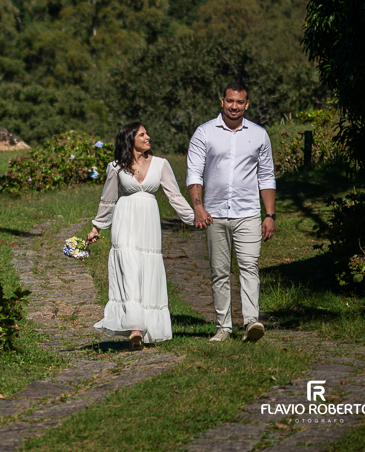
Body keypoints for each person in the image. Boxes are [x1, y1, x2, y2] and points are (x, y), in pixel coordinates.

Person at [85, 122, 194, 348]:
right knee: (129, 267)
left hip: (149, 223)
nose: (148, 137)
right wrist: (97, 227)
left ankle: (146, 326)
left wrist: (194, 218)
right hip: (124, 220)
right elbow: (108, 200)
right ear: (130, 139)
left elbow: (175, 196)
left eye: (147, 133)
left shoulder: (161, 164)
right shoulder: (116, 167)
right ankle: (135, 327)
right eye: (142, 134)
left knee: (146, 269)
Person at [186, 81, 276, 344]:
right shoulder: (204, 132)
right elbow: (194, 172)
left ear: (246, 104)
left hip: (248, 213)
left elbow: (266, 176)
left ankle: (250, 323)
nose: (234, 106)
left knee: (249, 267)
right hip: (214, 214)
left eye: (239, 102)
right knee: (220, 272)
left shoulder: (259, 134)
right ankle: (223, 327)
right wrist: (198, 207)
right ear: (222, 101)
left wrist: (269, 215)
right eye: (230, 101)